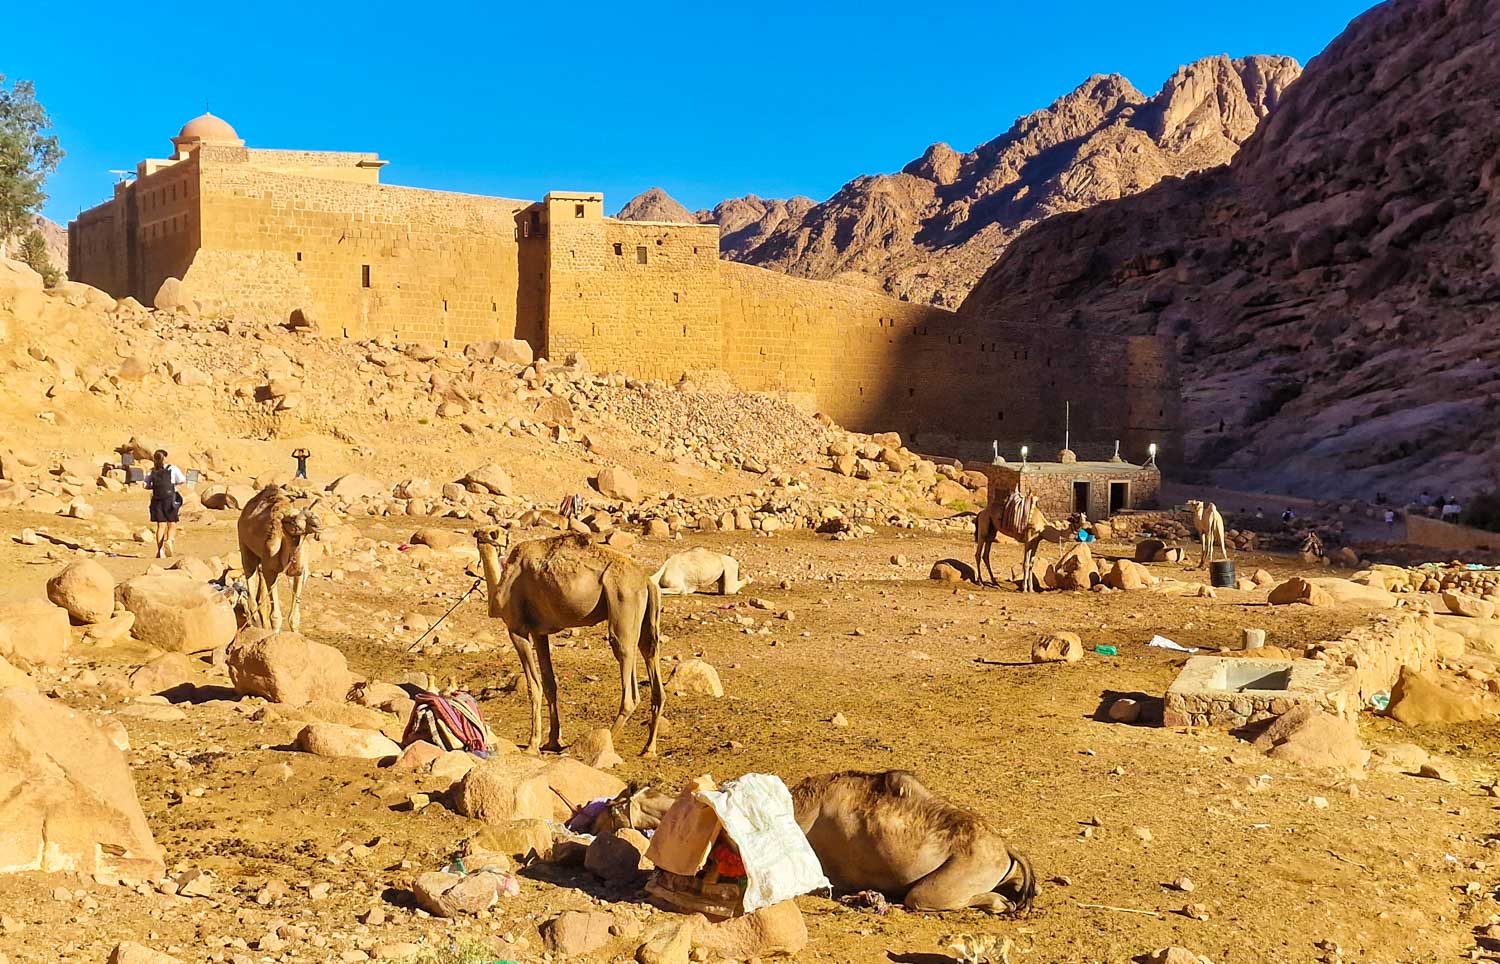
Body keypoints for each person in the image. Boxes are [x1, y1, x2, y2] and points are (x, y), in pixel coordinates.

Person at [145, 449, 186, 558]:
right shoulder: (172, 468)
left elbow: (145, 485)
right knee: (172, 523)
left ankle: (160, 550)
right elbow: (182, 480)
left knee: (161, 525)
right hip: (170, 498)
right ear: (165, 458)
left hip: (157, 499)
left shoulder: (152, 470)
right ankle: (169, 540)